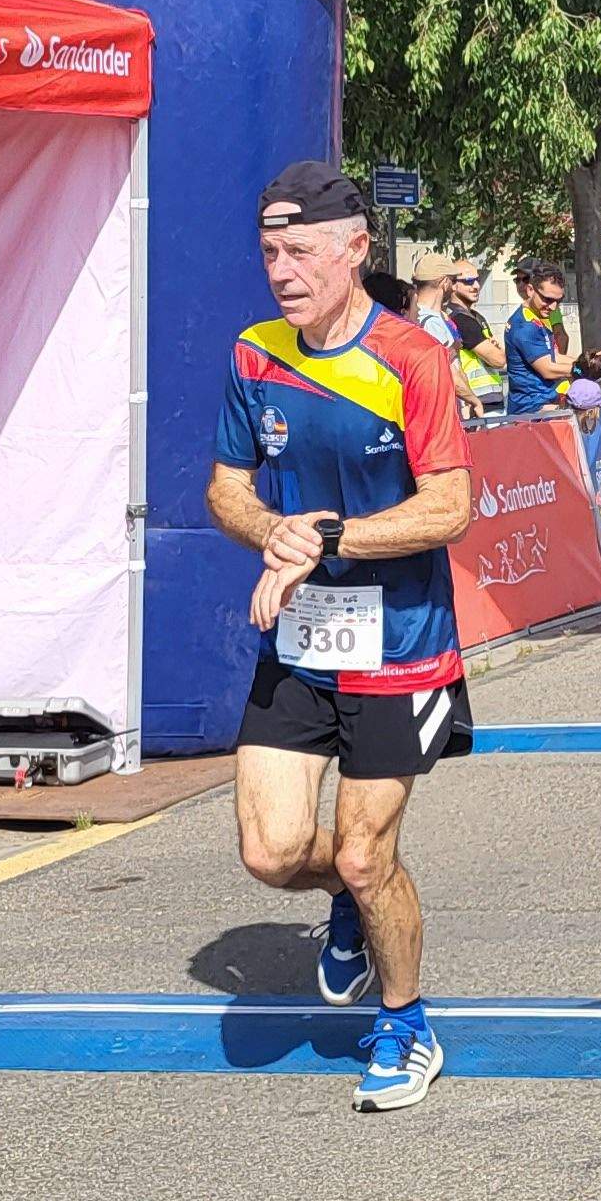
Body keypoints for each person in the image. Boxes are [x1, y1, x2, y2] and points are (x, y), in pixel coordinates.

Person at [210, 162, 480, 1111]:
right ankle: (350, 905)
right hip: (301, 638)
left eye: (300, 251)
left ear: (356, 249)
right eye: (270, 253)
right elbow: (226, 486)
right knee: (271, 853)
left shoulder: (413, 357)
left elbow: (452, 504)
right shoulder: (254, 353)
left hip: (398, 642)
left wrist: (327, 535)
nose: (281, 271)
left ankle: (406, 1025)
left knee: (368, 853)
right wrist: (267, 530)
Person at [500, 261, 574, 416]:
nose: (553, 307)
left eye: (558, 301)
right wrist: (586, 370)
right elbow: (547, 369)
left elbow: (555, 357)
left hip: (545, 403)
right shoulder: (524, 326)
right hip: (531, 411)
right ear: (530, 290)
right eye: (547, 299)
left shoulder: (540, 315)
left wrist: (590, 361)